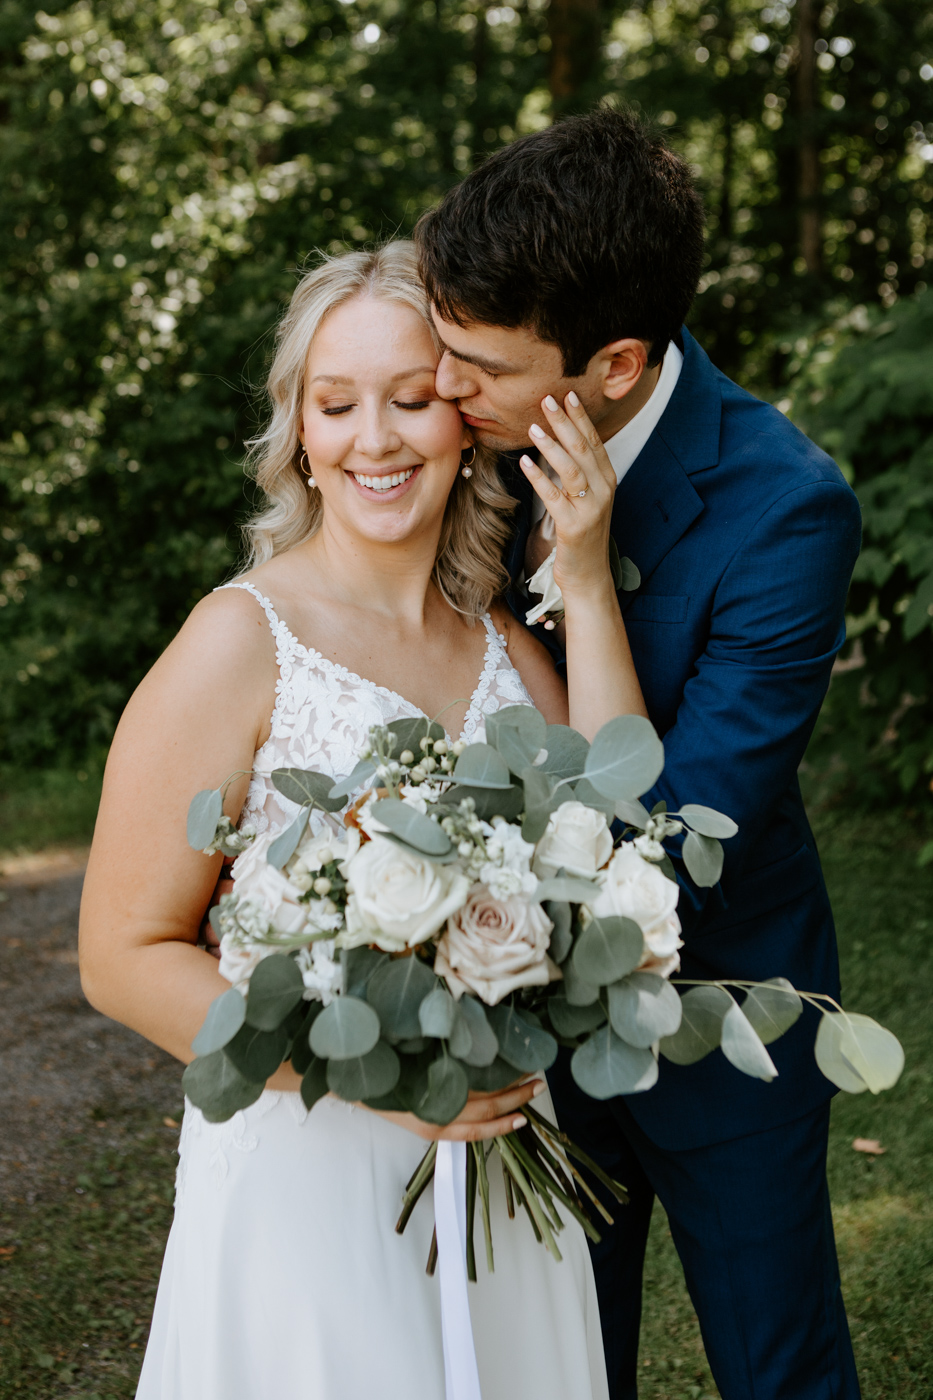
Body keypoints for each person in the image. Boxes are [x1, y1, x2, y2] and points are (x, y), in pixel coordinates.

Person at [79, 240, 644, 1400]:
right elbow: (120, 958)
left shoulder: (509, 651)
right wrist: (379, 1075)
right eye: (337, 404)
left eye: (411, 400)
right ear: (298, 433)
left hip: (496, 1186)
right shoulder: (238, 642)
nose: (374, 439)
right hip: (305, 1180)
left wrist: (583, 575)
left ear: (465, 424)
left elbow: (620, 828)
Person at [415, 107, 863, 1400]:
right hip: (516, 1023)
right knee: (557, 1365)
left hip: (720, 1016)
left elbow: (685, 836)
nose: (444, 394)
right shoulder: (460, 436)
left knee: (775, 1363)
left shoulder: (785, 509)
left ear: (613, 365)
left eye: (480, 368)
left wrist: (589, 579)